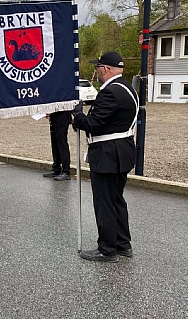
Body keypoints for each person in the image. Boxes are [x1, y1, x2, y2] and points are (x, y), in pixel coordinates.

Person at [72, 51, 139, 263]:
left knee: (104, 202)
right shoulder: (128, 88)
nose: (96, 72)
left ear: (106, 69)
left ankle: (107, 249)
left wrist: (77, 116)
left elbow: (93, 124)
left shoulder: (110, 92)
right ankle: (122, 243)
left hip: (108, 154)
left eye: (97, 68)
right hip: (122, 151)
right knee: (117, 199)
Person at [42, 111, 72, 181]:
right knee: (55, 145)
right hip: (54, 118)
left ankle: (66, 171)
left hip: (62, 118)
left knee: (62, 145)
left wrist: (52, 111)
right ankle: (56, 168)